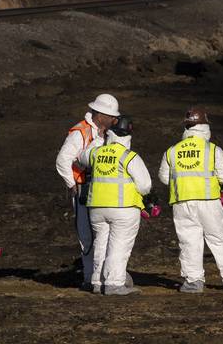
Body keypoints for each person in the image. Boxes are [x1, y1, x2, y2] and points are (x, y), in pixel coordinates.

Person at [158, 106, 223, 293]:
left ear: (187, 127)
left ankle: (194, 282)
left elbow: (164, 178)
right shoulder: (212, 150)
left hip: (182, 203)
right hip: (209, 202)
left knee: (189, 242)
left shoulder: (171, 151)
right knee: (218, 239)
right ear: (205, 126)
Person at [78, 116, 151, 295]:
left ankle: (97, 281)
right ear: (128, 135)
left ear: (110, 133)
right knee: (119, 245)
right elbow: (145, 186)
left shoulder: (96, 153)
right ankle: (114, 283)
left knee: (101, 243)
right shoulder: (128, 156)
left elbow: (82, 156)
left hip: (96, 208)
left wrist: (101, 140)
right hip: (123, 208)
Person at [54, 93, 119, 292]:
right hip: (84, 188)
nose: (115, 121)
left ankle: (103, 276)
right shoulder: (80, 132)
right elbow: (62, 160)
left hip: (103, 189)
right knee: (87, 235)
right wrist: (72, 184)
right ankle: (90, 278)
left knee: (104, 234)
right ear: (100, 115)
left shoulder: (108, 132)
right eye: (111, 117)